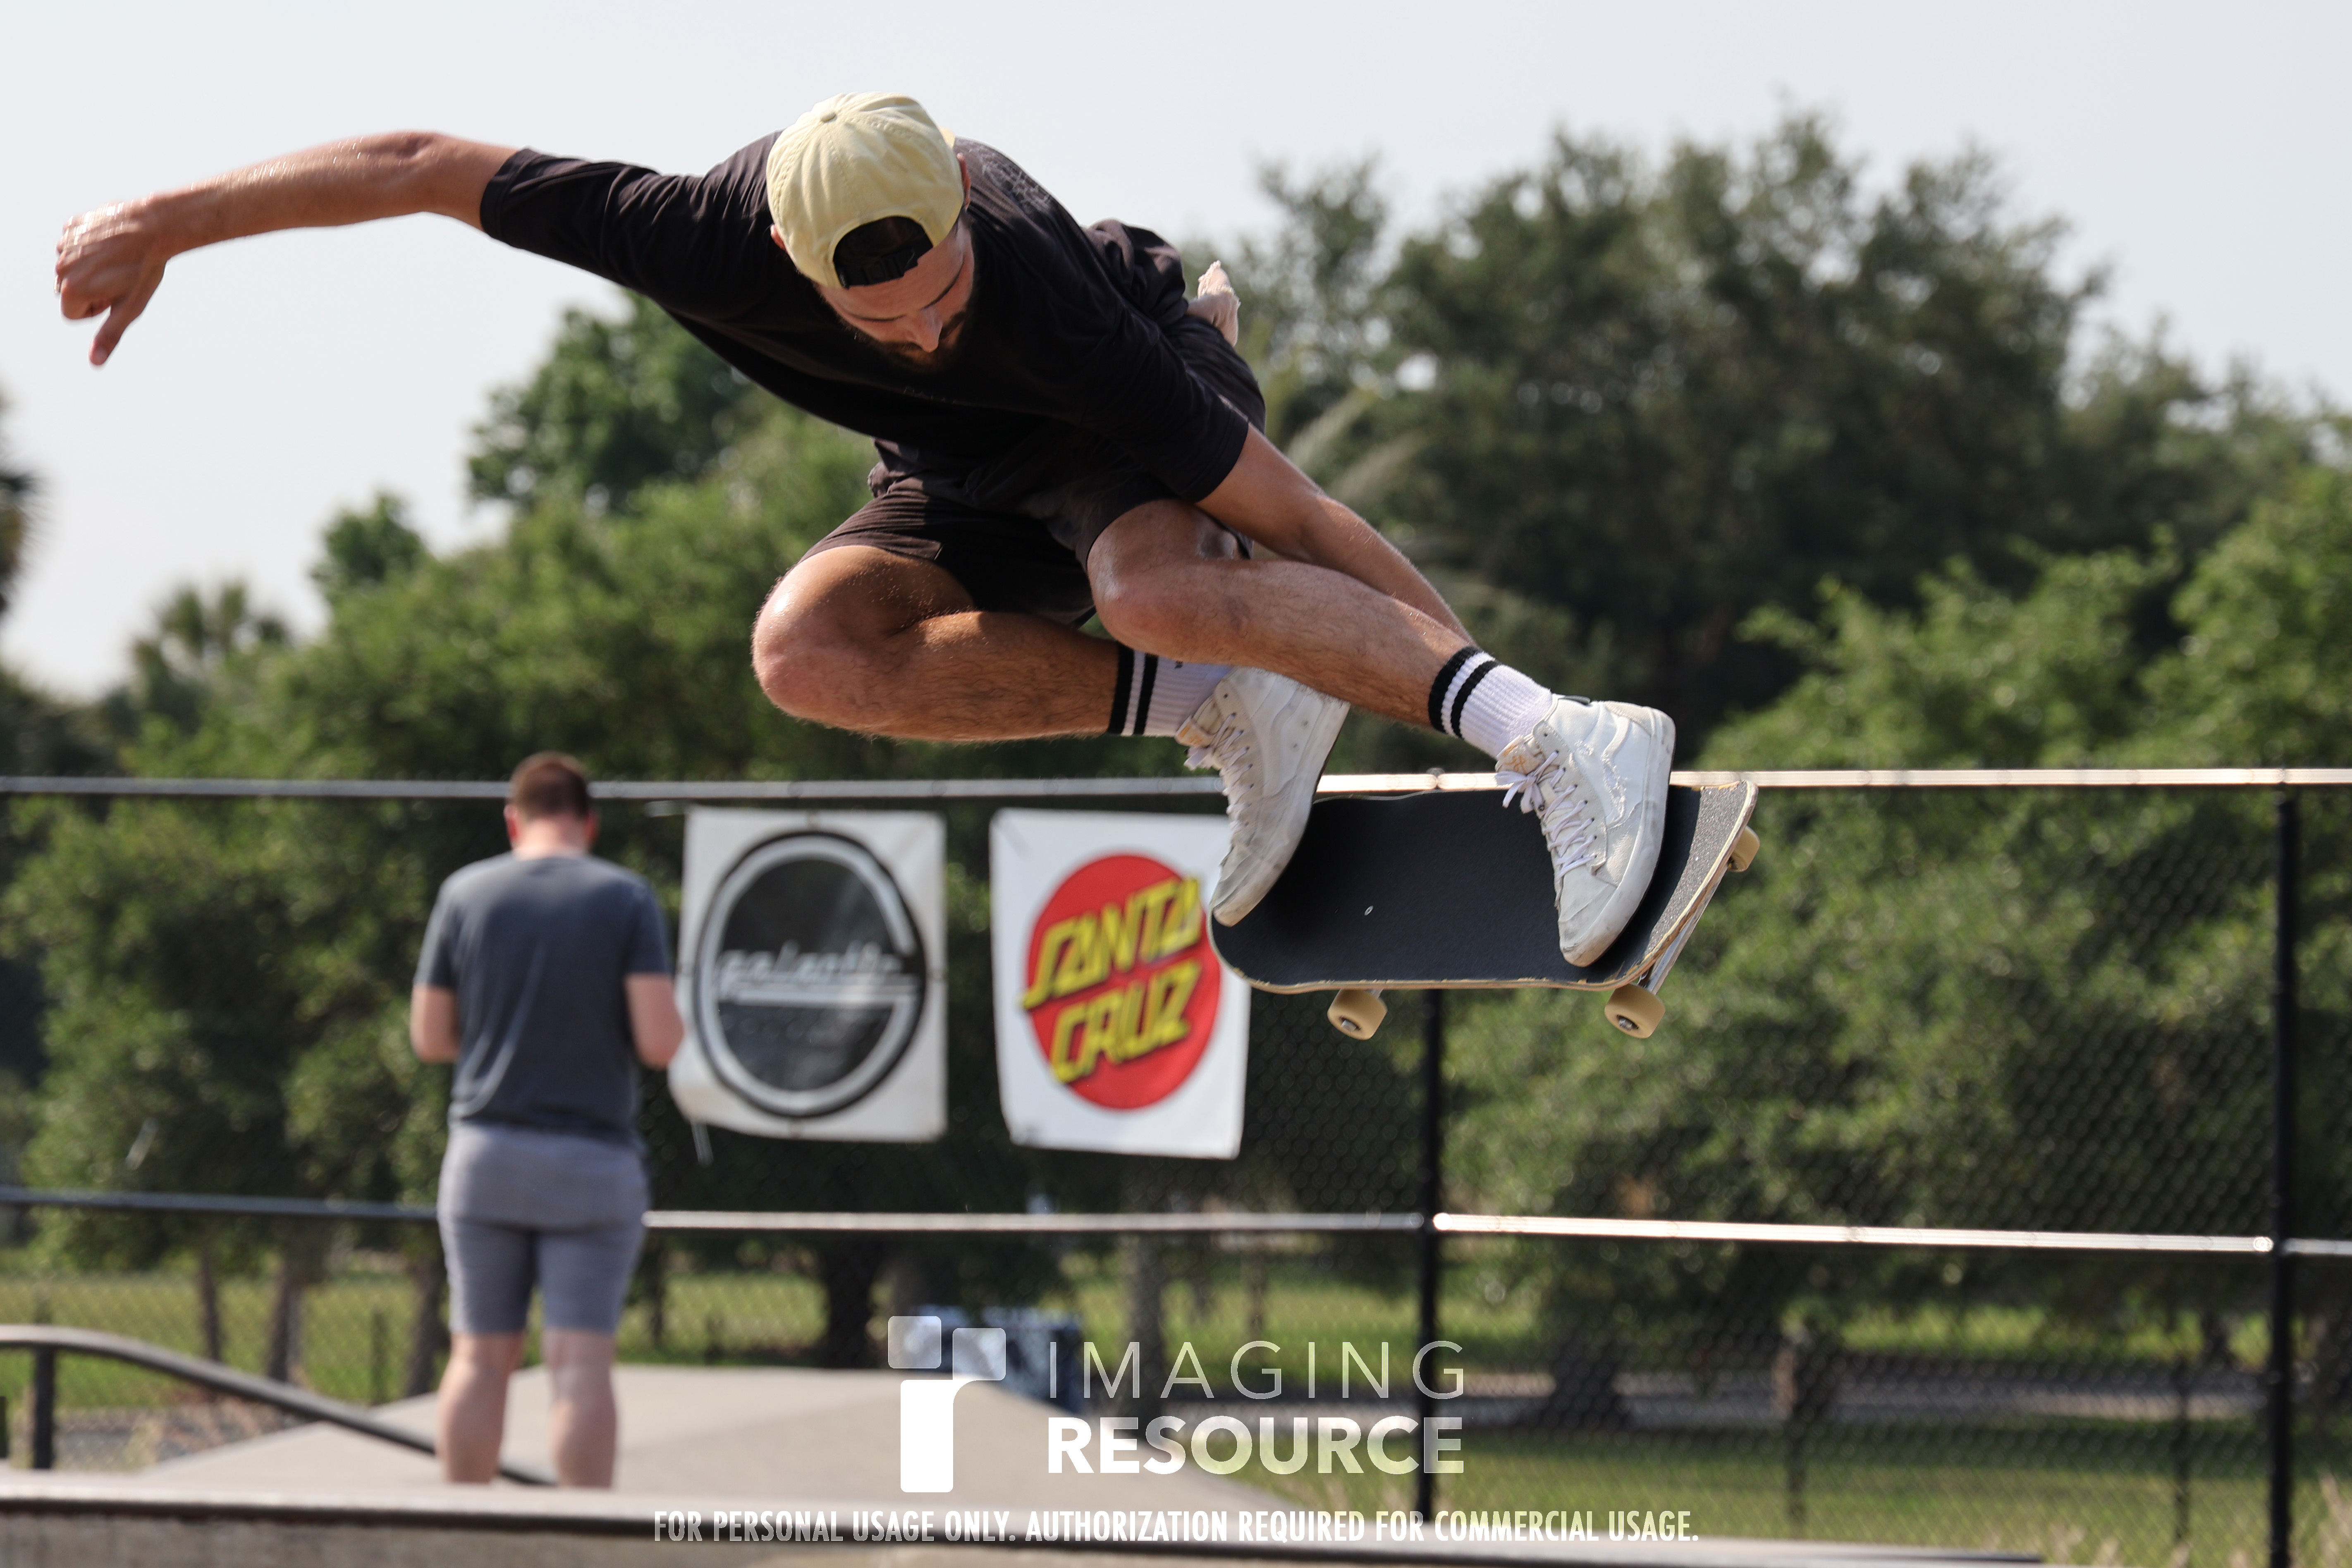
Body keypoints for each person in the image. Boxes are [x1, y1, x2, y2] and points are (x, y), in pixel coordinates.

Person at [56, 94, 1674, 963]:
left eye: (944, 298)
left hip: (1115, 408)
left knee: (1151, 582)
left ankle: (1576, 744)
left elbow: (1302, 513)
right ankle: (1220, 708)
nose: (924, 329)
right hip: (951, 476)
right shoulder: (690, 234)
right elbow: (418, 165)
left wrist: (1504, 715)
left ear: (965, 223)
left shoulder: (1039, 296)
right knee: (807, 651)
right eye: (883, 321)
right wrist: (167, 223)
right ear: (790, 259)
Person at [408, 753, 683, 1487]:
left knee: (478, 1356)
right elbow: (660, 1042)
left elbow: (430, 1037)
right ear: (588, 823)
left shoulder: (464, 894)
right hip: (593, 1161)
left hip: (487, 1153)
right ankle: (579, 1536)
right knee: (579, 1363)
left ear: (514, 821)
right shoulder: (625, 898)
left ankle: (463, 1532)